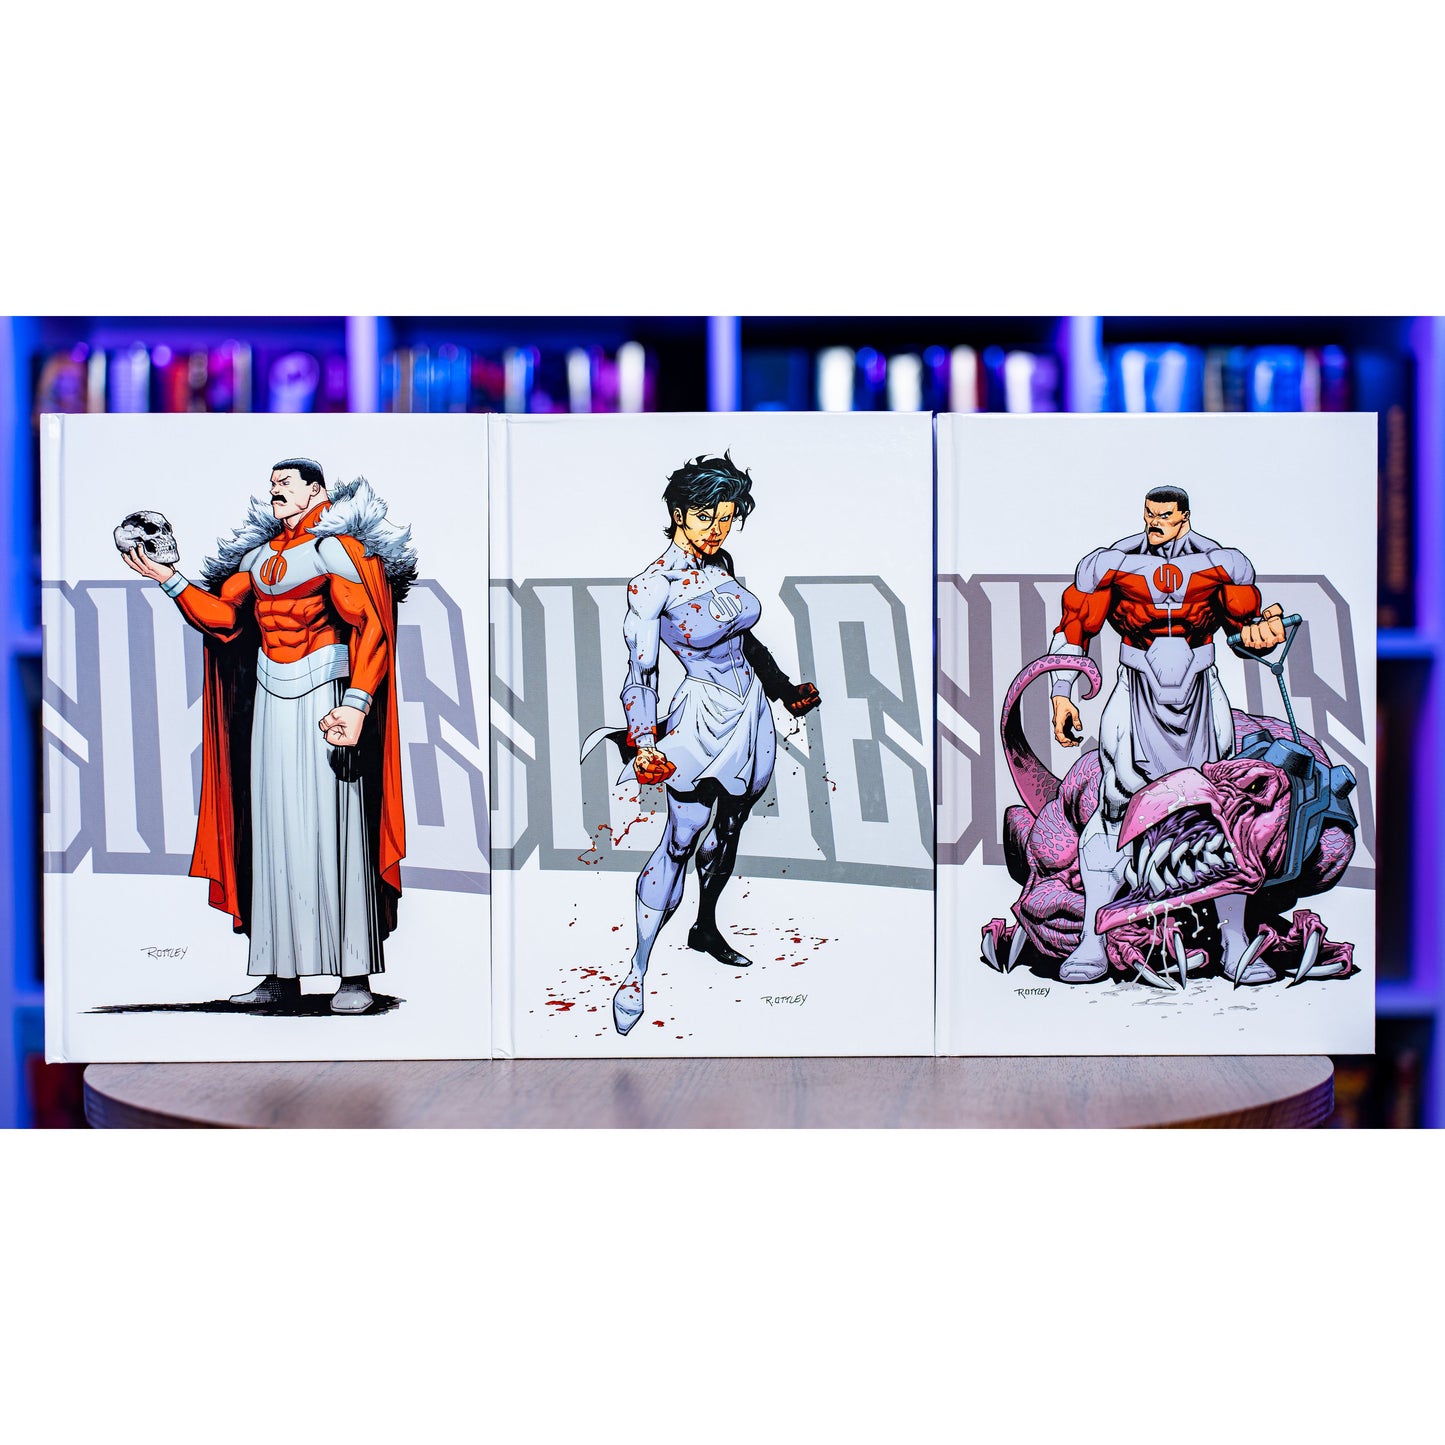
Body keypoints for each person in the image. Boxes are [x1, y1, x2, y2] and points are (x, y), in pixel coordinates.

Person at [121, 458, 414, 1013]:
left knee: (337, 830)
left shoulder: (335, 552)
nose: (275, 490)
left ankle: (353, 977)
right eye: (272, 484)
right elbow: (226, 620)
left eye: (286, 483)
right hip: (269, 696)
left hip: (328, 694)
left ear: (317, 491)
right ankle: (278, 975)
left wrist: (357, 705)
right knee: (272, 829)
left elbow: (371, 626)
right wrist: (169, 579)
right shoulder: (257, 559)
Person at [599, 452, 821, 1035]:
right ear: (677, 513)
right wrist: (645, 742)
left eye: (726, 517)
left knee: (731, 826)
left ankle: (705, 927)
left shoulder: (720, 561)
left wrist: (783, 689)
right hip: (700, 718)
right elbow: (640, 673)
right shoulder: (651, 586)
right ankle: (635, 971)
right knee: (681, 838)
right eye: (705, 516)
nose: (717, 528)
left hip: (751, 712)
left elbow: (744, 641)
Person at [1046, 486, 1285, 984]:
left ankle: (1235, 943)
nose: (1155, 524)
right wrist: (1062, 693)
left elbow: (1245, 630)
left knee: (1221, 810)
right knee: (1115, 807)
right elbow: (1074, 628)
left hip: (1200, 691)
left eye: (1165, 517)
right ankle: (1093, 939)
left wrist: (1263, 634)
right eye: (1149, 515)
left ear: (1184, 518)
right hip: (1136, 690)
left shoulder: (1223, 564)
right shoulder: (1111, 565)